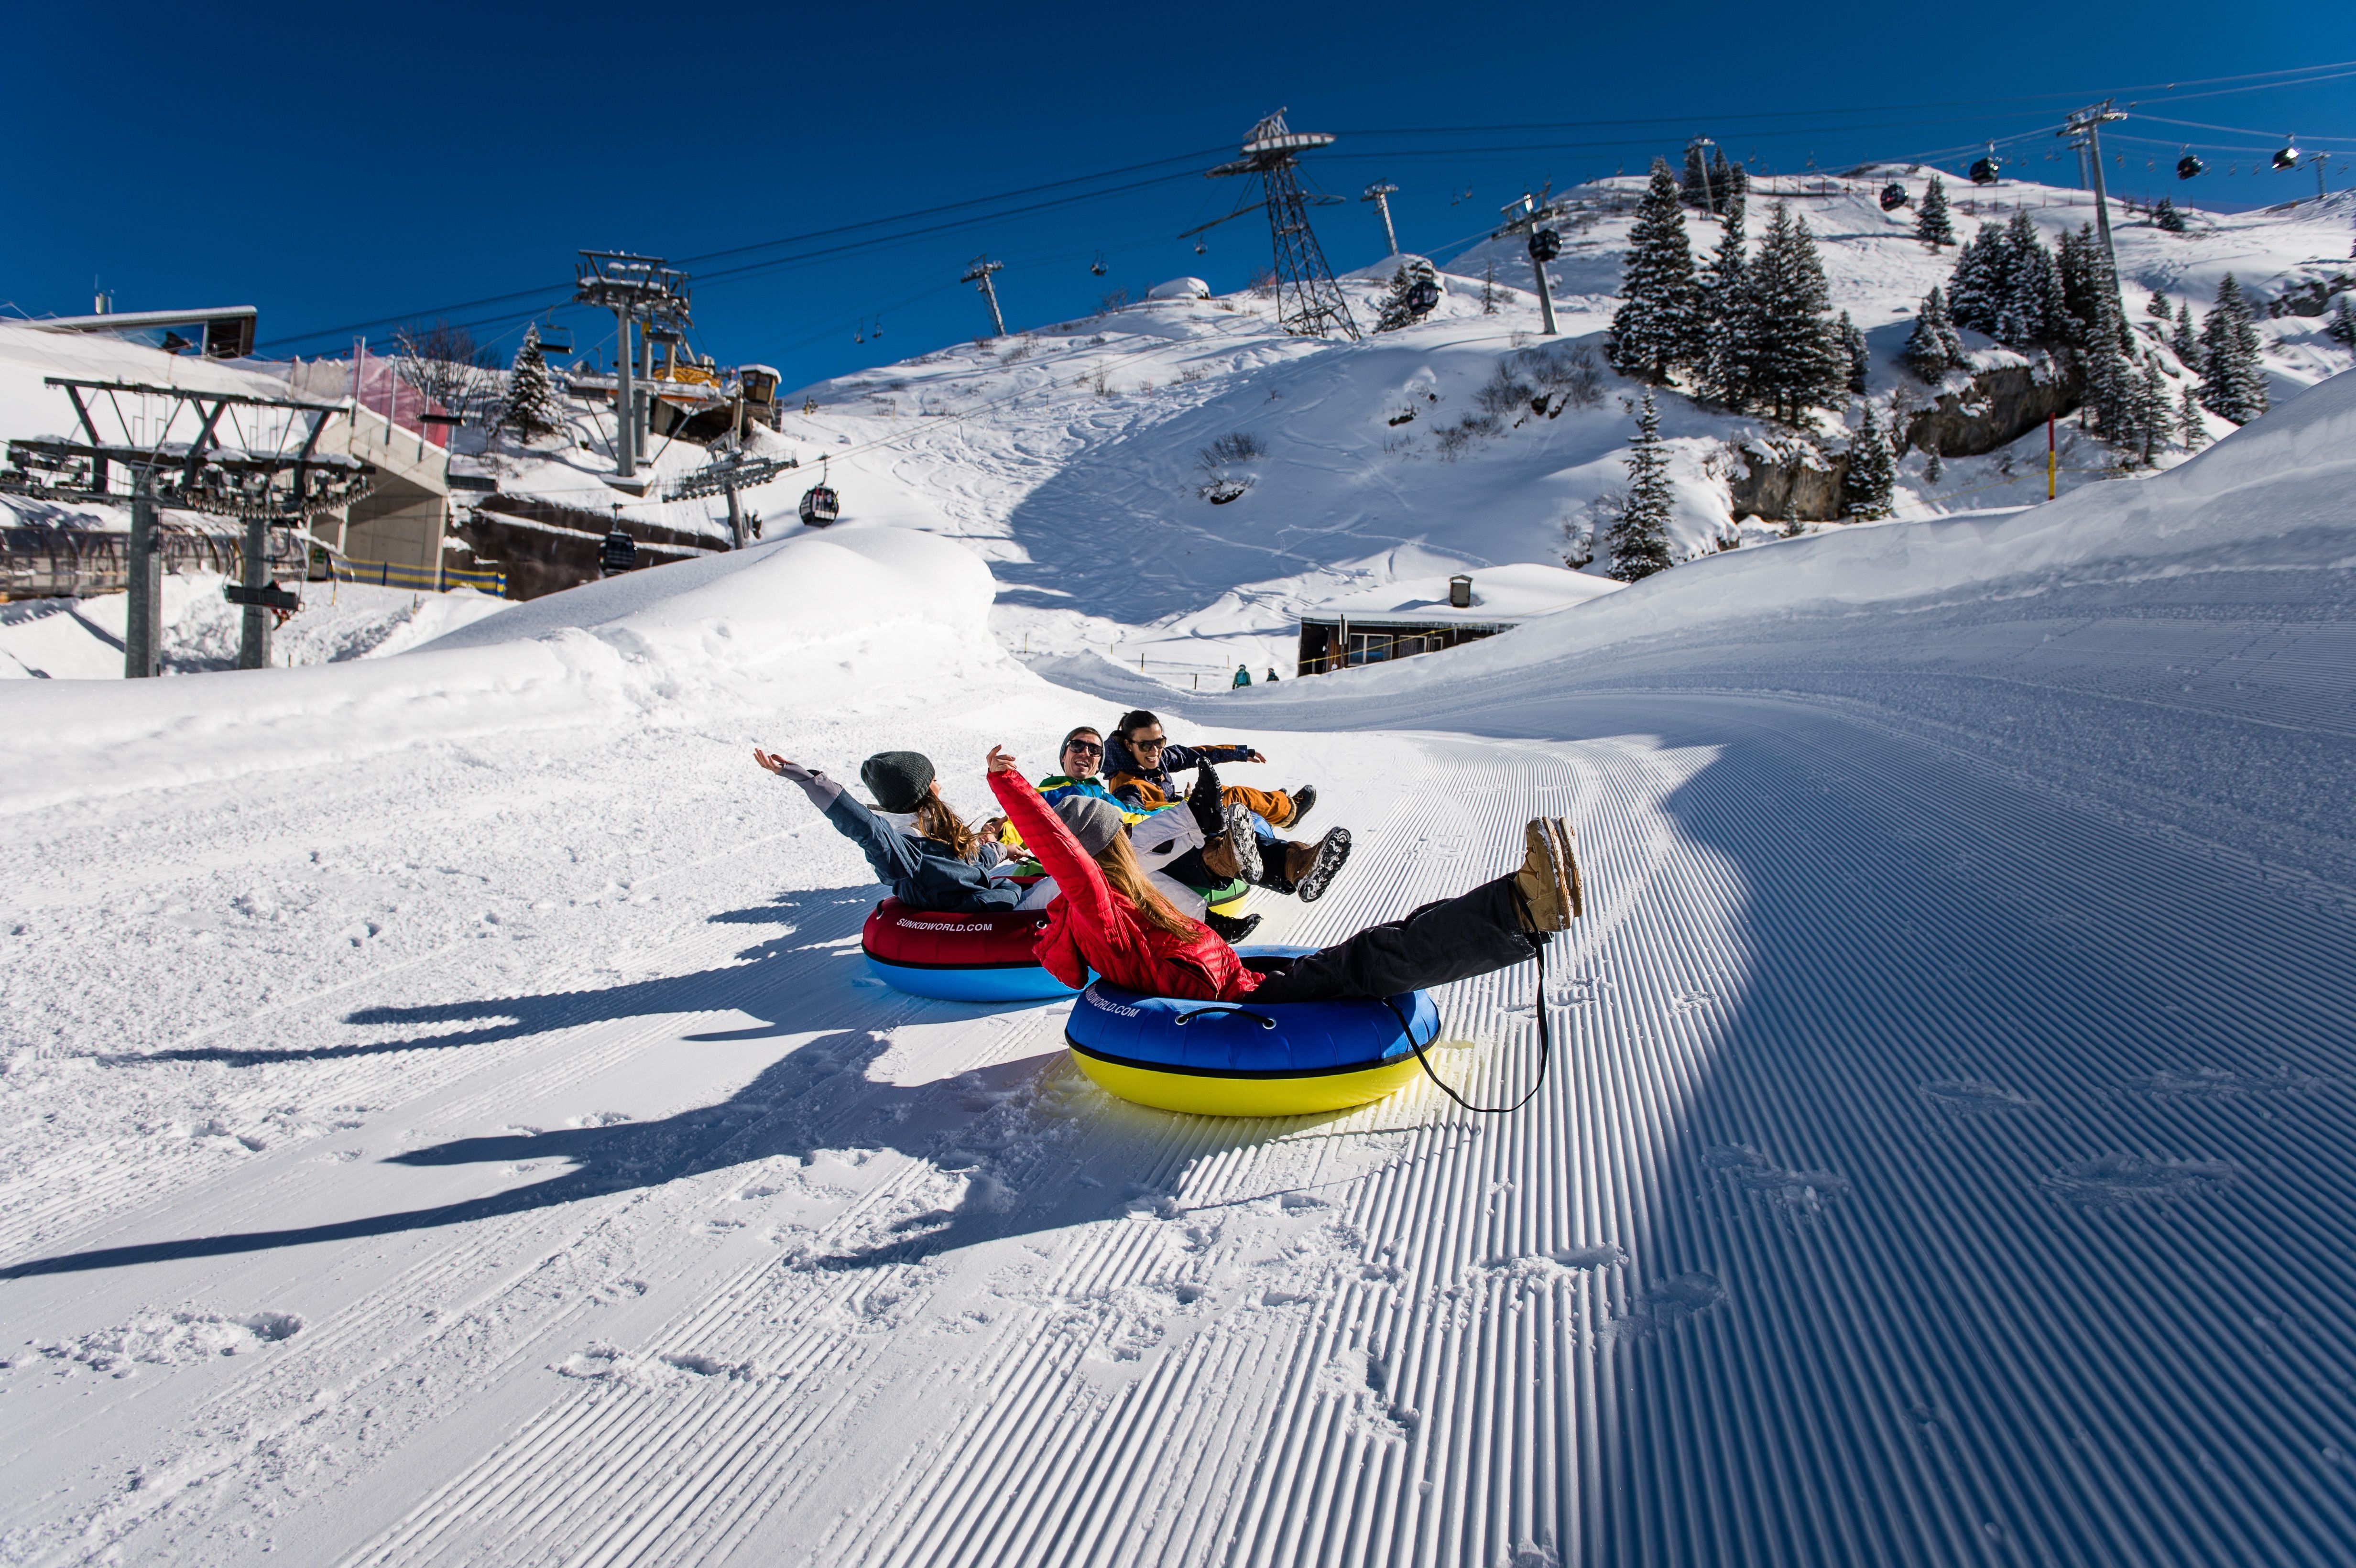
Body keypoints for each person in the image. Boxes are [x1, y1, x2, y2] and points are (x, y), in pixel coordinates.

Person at [985, 746, 1581, 1003]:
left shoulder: (1119, 900)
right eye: (1116, 834)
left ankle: (1517, 903)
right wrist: (1008, 786)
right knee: (1374, 956)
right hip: (1234, 1004)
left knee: (1394, 934)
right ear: (1102, 850)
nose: (1126, 837)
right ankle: (1521, 909)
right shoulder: (1096, 905)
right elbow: (1063, 855)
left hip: (1234, 980)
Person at [1105, 710, 1350, 901]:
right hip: (1178, 839)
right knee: (1234, 798)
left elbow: (1197, 754)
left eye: (1160, 742)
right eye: (1146, 745)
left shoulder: (1158, 758)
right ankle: (1289, 823)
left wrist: (1240, 753)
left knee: (1232, 798)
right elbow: (1141, 822)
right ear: (1129, 745)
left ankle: (1297, 847)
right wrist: (1185, 805)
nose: (1155, 750)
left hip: (1187, 817)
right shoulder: (1127, 786)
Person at [753, 747, 1022, 913]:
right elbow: (862, 824)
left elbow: (970, 860)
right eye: (935, 780)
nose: (940, 785)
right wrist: (806, 779)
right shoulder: (900, 846)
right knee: (1042, 893)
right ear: (925, 790)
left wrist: (1001, 847)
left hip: (982, 900)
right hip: (975, 912)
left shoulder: (935, 827)